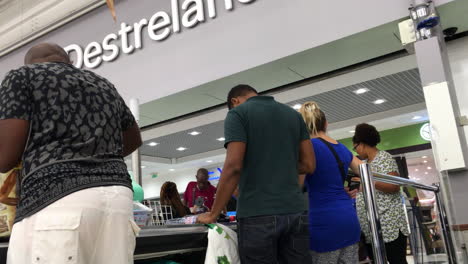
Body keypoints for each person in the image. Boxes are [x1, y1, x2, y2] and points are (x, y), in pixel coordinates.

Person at [0, 43, 142, 264]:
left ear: (30, 63)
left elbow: (5, 157)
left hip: (55, 198)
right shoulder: (103, 84)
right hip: (118, 200)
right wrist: (93, 156)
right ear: (68, 61)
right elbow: (134, 139)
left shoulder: (23, 76)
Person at [198, 84, 316, 264]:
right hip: (296, 212)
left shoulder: (238, 113)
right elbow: (308, 165)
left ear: (234, 101)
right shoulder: (294, 115)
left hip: (257, 214)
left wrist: (213, 213)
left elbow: (233, 166)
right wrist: (278, 165)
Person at [299, 102, 361, 264]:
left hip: (323, 223)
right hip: (349, 219)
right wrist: (352, 186)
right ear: (326, 124)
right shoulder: (341, 147)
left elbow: (295, 187)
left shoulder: (307, 149)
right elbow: (366, 171)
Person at [353, 123, 410, 264]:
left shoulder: (384, 157)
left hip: (389, 225)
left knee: (397, 260)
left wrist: (368, 181)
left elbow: (394, 186)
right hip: (372, 228)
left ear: (362, 144)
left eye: (355, 147)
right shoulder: (364, 164)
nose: (357, 151)